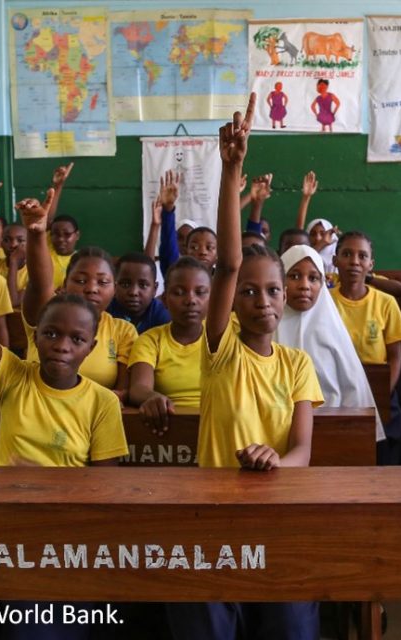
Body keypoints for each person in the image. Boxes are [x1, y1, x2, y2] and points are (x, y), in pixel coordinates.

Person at [0, 194, 127, 639]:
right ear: (35, 337)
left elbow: (103, 490)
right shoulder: (15, 377)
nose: (62, 345)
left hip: (62, 530)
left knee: (33, 625)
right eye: (50, 334)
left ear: (91, 347)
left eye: (76, 338)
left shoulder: (102, 403)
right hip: (0, 518)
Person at [167, 93, 324, 640]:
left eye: (274, 290)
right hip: (213, 511)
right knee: (206, 619)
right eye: (250, 293)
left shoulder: (298, 363)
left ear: (287, 299)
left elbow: (302, 449)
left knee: (291, 620)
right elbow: (229, 262)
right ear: (230, 304)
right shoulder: (221, 350)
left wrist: (278, 462)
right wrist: (231, 171)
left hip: (278, 507)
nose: (263, 300)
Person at [21, 210, 136, 400]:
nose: (91, 289)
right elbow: (39, 283)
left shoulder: (123, 331)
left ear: (114, 289)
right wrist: (36, 234)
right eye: (81, 281)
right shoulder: (47, 316)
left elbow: (121, 393)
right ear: (65, 285)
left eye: (102, 282)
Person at [278, 244, 382, 442]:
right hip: (274, 431)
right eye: (294, 276)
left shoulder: (332, 331)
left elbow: (354, 392)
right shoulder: (266, 330)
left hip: (330, 432)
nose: (304, 285)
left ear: (323, 283)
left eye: (314, 278)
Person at [331, 231, 401, 463]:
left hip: (379, 389)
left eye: (362, 256)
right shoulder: (324, 301)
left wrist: (385, 392)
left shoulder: (386, 303)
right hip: (336, 388)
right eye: (347, 254)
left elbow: (395, 357)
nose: (354, 261)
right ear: (335, 261)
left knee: (388, 437)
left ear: (371, 264)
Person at [127, 258, 211, 430]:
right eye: (179, 292)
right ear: (164, 299)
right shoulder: (150, 340)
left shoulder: (225, 336)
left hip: (217, 423)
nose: (190, 300)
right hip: (169, 424)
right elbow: (138, 387)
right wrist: (153, 397)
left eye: (200, 292)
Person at [109, 252, 169, 335]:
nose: (134, 292)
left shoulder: (163, 316)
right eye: (125, 284)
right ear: (114, 286)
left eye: (143, 285)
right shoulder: (105, 312)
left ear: (154, 289)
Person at [295, 171, 338, 274]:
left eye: (323, 234)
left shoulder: (338, 260)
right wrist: (306, 198)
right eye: (312, 234)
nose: (318, 238)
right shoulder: (302, 258)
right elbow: (298, 233)